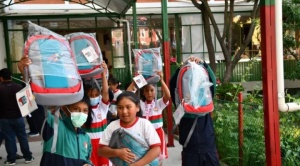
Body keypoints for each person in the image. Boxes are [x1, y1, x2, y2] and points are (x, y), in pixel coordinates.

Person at [18, 56, 93, 166]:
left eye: (85, 111)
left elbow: (87, 160)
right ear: (64, 108)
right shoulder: (53, 126)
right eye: (76, 109)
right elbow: (33, 107)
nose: (81, 113)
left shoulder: (86, 138)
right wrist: (26, 78)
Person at [169, 56, 220, 166]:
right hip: (207, 146)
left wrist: (183, 66)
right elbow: (213, 82)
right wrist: (203, 64)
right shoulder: (206, 102)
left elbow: (173, 84)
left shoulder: (182, 106)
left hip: (191, 148)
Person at [98, 91, 161, 165]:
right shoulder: (112, 126)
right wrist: (117, 152)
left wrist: (137, 164)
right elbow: (100, 150)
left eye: (128, 107)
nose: (124, 111)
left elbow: (156, 149)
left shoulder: (145, 124)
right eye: (120, 108)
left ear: (137, 107)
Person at [126, 71, 171, 165]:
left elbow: (168, 95)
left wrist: (161, 80)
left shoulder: (158, 103)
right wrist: (135, 81)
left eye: (152, 90)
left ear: (155, 91)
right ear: (143, 92)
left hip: (158, 134)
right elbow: (127, 95)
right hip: (144, 135)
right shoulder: (140, 104)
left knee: (158, 160)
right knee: (145, 160)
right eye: (146, 90)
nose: (149, 93)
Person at [0, 68, 35, 165]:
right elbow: (25, 103)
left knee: (9, 138)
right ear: (10, 76)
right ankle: (28, 157)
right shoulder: (18, 87)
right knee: (22, 137)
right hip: (19, 117)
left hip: (4, 118)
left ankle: (11, 159)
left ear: (1, 78)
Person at [83, 62, 112, 166]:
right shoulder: (83, 110)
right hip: (87, 146)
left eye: (96, 95)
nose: (94, 97)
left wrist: (103, 73)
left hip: (103, 145)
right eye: (91, 95)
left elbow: (105, 92)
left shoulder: (102, 108)